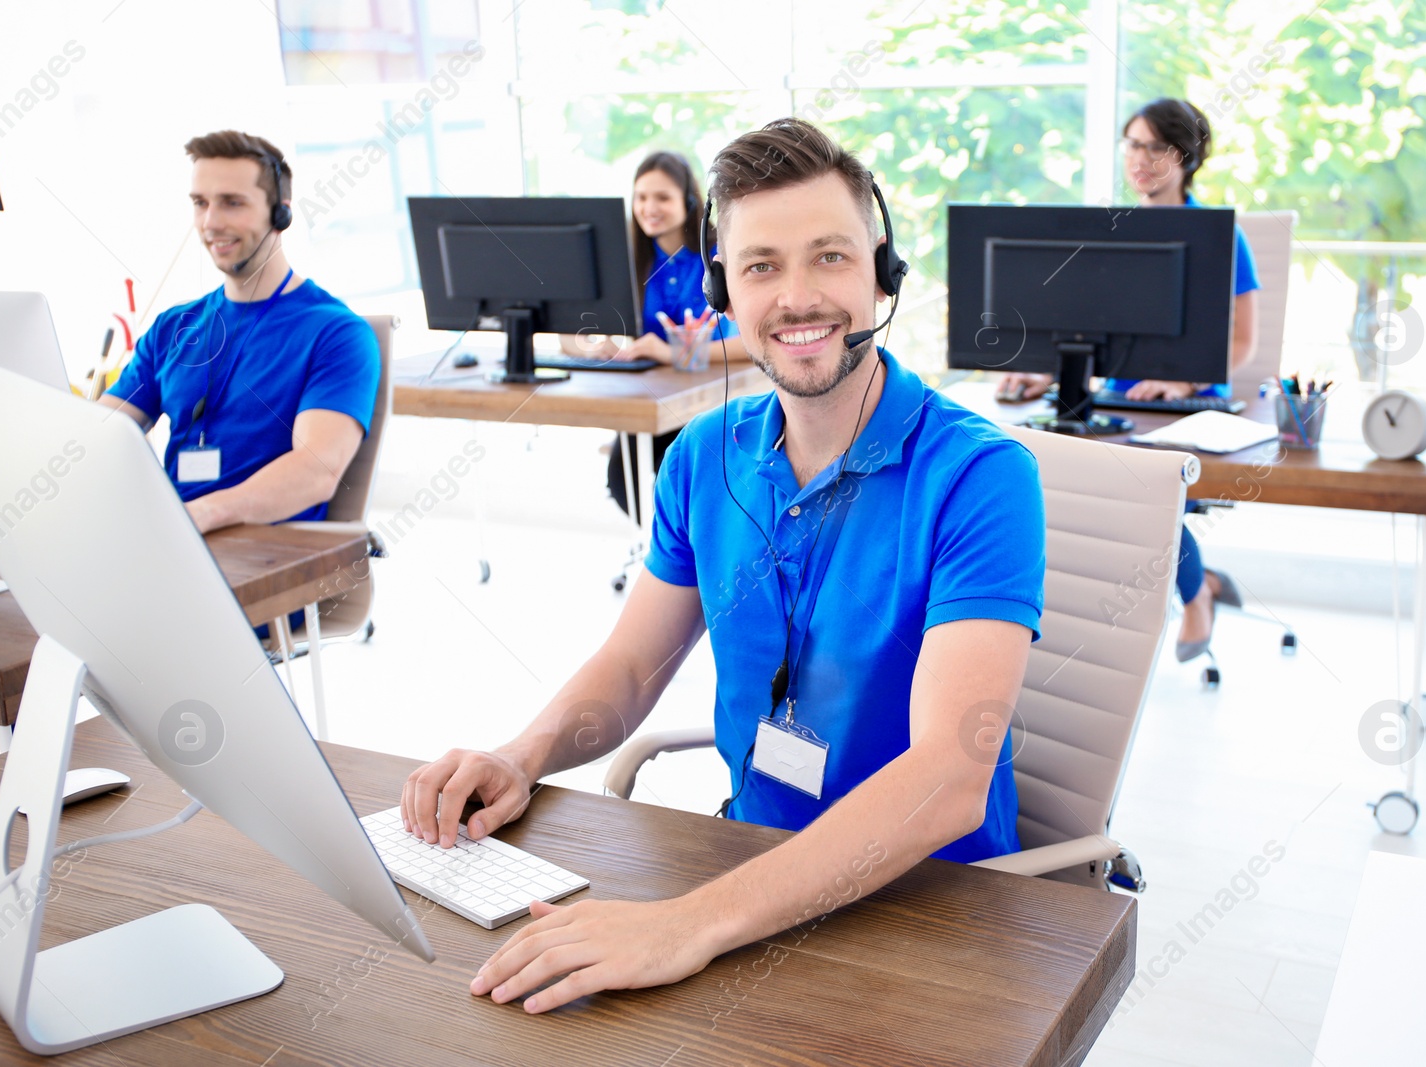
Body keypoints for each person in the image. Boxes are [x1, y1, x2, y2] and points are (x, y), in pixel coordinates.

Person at [402, 118, 1046, 1013]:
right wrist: (521, 755)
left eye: (829, 257)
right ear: (723, 292)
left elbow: (949, 776)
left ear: (880, 270)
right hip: (752, 879)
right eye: (761, 266)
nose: (798, 297)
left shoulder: (981, 476)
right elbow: (632, 668)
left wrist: (688, 925)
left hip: (927, 911)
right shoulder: (703, 457)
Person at [998, 98, 1261, 662]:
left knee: (1144, 493)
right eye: (1131, 145)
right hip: (1116, 399)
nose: (1138, 160)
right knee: (1074, 481)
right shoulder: (1114, 231)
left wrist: (1183, 382)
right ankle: (1202, 583)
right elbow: (1086, 330)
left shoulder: (1223, 238)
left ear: (1186, 156)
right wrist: (1044, 370)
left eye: (1154, 147)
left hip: (1186, 407)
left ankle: (1197, 597)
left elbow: (1243, 342)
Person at [99, 130, 380, 537]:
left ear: (280, 214)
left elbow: (315, 472)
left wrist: (198, 516)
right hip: (168, 545)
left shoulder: (336, 334)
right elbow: (101, 438)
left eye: (232, 203)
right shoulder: (173, 327)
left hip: (264, 564)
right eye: (200, 203)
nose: (211, 222)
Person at [558, 151, 746, 522]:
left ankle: (690, 559)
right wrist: (598, 348)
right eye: (641, 197)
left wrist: (670, 351)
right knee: (623, 481)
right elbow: (566, 336)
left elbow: (750, 346)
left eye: (662, 197)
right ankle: (671, 559)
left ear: (688, 201)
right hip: (654, 401)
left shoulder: (719, 256)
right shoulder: (630, 259)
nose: (649, 207)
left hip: (714, 400)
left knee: (681, 478)